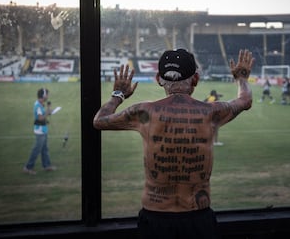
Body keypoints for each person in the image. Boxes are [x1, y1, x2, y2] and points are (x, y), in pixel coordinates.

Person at [93, 49, 254, 239]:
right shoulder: (211, 111)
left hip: (155, 218)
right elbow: (245, 100)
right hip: (197, 218)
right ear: (195, 79)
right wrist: (241, 77)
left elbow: (99, 121)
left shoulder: (144, 111)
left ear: (158, 78)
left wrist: (118, 94)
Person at [23, 88, 57, 175]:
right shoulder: (38, 105)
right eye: (47, 94)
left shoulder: (41, 104)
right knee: (36, 150)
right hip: (40, 131)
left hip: (43, 130)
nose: (48, 96)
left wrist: (48, 112)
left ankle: (47, 166)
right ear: (43, 96)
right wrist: (48, 112)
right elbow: (40, 118)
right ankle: (28, 167)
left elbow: (42, 117)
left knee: (45, 149)